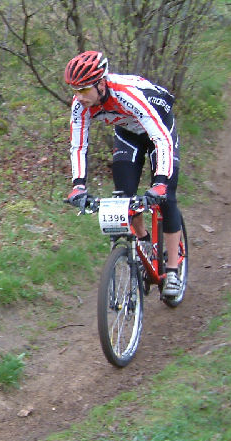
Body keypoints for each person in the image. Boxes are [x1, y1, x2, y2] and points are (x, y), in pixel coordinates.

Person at [64, 50, 184, 297]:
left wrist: (160, 182)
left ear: (101, 83)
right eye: (75, 90)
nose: (79, 96)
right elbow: (78, 145)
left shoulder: (127, 94)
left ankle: (172, 270)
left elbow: (161, 139)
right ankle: (144, 244)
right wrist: (78, 185)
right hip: (128, 134)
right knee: (123, 197)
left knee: (167, 196)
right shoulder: (80, 105)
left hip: (159, 129)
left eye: (84, 90)